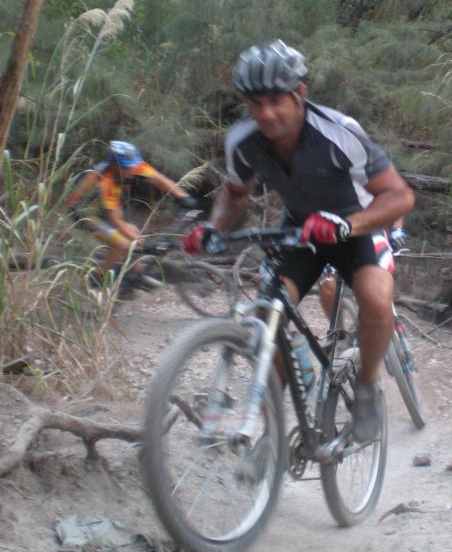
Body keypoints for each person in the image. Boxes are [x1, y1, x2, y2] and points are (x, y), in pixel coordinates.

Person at [183, 40, 414, 442]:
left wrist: (347, 226)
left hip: (355, 227)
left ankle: (365, 391)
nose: (266, 113)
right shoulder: (243, 141)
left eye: (276, 100)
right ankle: (272, 431)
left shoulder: (339, 132)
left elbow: (399, 196)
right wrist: (212, 227)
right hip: (303, 231)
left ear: (299, 94)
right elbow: (235, 193)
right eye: (256, 103)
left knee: (376, 298)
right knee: (265, 315)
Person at [67, 140, 198, 289]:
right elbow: (115, 221)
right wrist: (145, 244)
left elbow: (157, 177)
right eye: (127, 168)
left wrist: (183, 197)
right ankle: (97, 277)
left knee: (133, 231)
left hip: (104, 209)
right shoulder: (106, 181)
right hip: (86, 214)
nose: (133, 171)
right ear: (115, 166)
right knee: (123, 244)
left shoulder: (129, 164)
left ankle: (137, 273)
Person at [317, 219, 408, 329]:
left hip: (371, 229)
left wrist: (397, 229)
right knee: (326, 282)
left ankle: (385, 329)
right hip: (334, 231)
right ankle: (338, 330)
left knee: (381, 278)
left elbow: (397, 202)